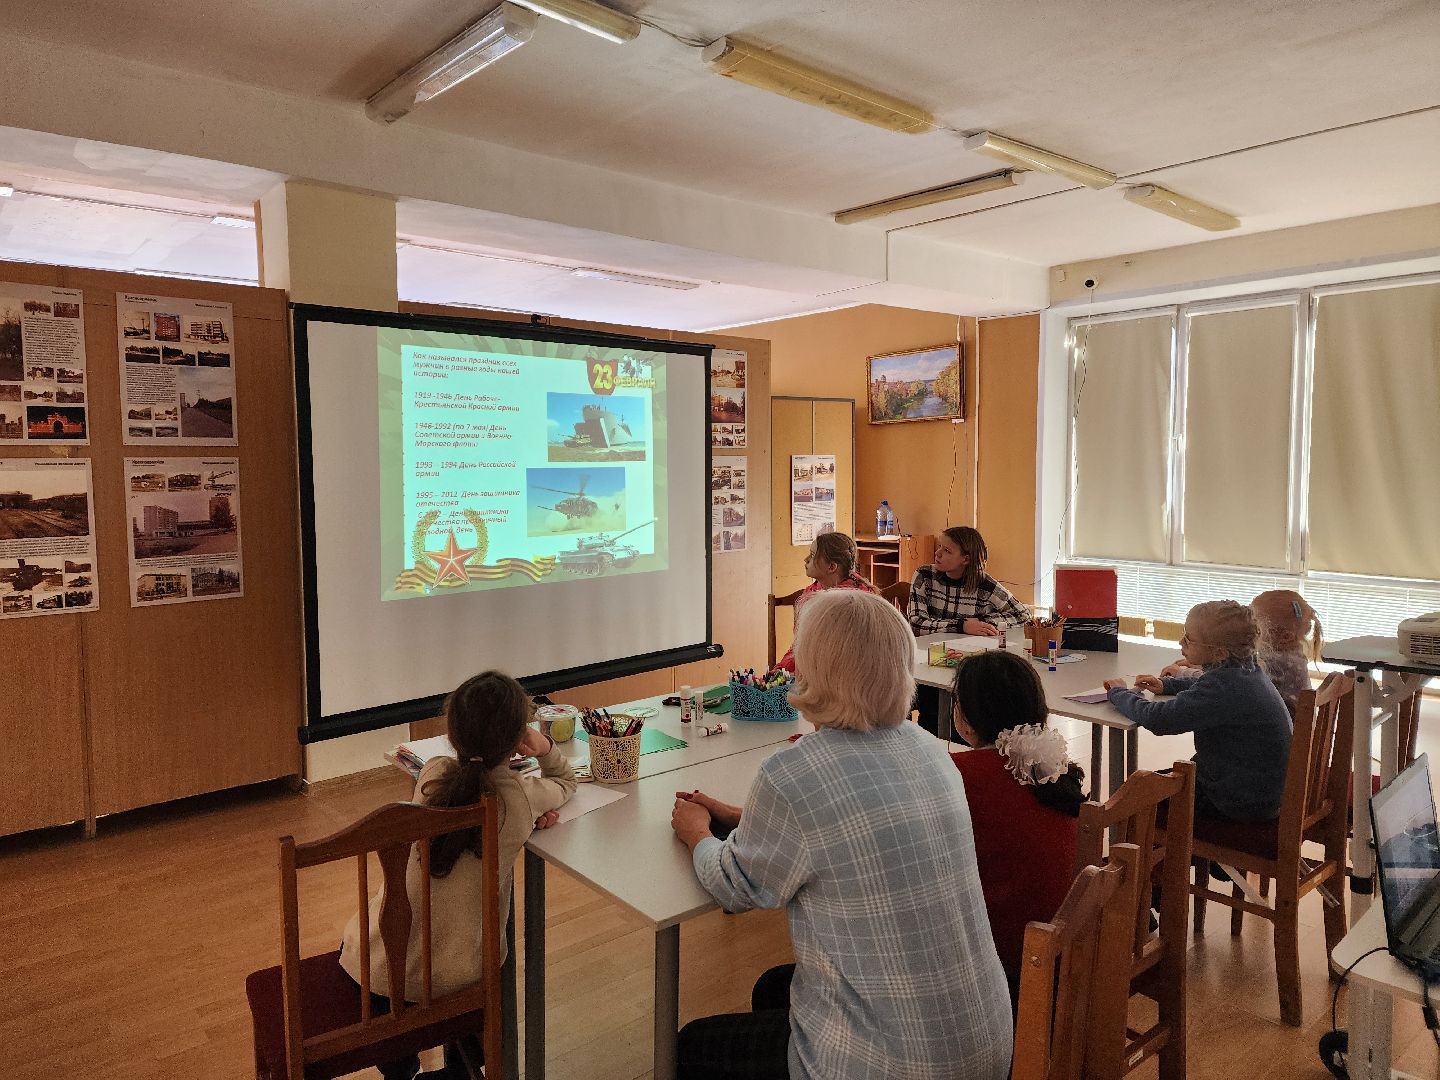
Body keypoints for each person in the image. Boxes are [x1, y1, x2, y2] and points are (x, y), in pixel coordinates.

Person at [671, 590, 1012, 1080]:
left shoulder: (791, 772)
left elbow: (737, 887)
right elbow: (841, 828)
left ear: (811, 667)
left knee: (691, 1048)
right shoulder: (931, 748)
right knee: (773, 989)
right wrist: (742, 816)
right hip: (983, 1042)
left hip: (890, 1063)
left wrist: (697, 834)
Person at [339, 671, 576, 1080]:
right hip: (460, 979)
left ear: (453, 732)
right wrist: (544, 746)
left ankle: (403, 1071)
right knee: (471, 961)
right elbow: (566, 781)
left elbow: (467, 796)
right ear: (517, 737)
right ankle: (464, 1067)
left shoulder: (432, 774)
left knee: (419, 953)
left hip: (374, 968)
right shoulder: (518, 800)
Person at [949, 651, 1085, 997]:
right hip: (1065, 944)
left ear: (964, 716)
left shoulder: (958, 775)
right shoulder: (1052, 766)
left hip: (1003, 961)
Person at [1104, 600, 1292, 823]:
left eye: (1189, 639)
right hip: (1261, 792)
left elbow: (1159, 719)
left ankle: (1148, 855)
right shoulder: (1246, 670)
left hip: (1237, 803)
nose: (1181, 641)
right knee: (1150, 783)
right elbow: (1208, 686)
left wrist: (1120, 693)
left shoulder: (1224, 687)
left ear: (1220, 653)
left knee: (1137, 798)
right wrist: (1167, 685)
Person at [776, 531, 877, 673]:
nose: (806, 560)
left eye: (812, 556)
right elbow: (802, 646)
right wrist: (782, 669)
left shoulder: (848, 603)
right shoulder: (814, 591)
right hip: (813, 664)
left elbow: (831, 654)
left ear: (831, 567)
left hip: (841, 675)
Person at [907, 525, 1030, 638]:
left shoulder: (985, 584)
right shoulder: (924, 575)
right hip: (928, 649)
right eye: (940, 546)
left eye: (947, 551)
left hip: (969, 651)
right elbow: (916, 624)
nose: (937, 553)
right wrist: (961, 626)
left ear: (965, 559)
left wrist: (982, 623)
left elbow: (1023, 615)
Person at [1251, 589, 1322, 705]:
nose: (1250, 630)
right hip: (1295, 717)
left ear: (1285, 637)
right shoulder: (1294, 653)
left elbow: (1252, 688)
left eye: (1256, 627)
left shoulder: (1275, 663)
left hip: (1284, 721)